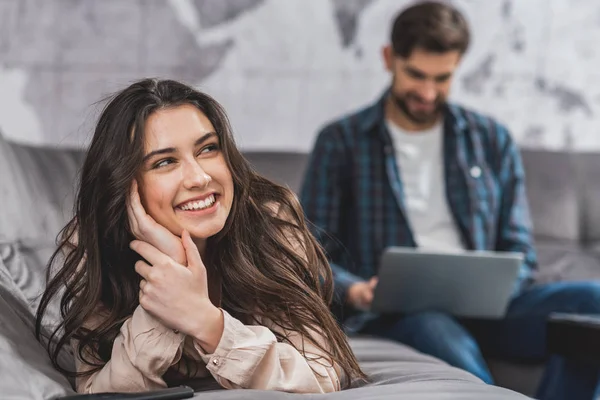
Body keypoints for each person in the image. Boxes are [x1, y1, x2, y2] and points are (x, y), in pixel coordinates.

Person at [300, 2, 600, 400]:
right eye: (416, 75)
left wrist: (500, 283)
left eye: (442, 78)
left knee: (592, 301)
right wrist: (355, 291)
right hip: (400, 313)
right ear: (390, 59)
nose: (427, 92)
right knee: (438, 329)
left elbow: (520, 248)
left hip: (495, 310)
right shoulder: (340, 142)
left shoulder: (491, 139)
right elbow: (309, 253)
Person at [35, 78, 365, 394]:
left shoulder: (269, 225)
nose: (199, 177)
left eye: (208, 149)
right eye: (164, 161)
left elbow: (321, 376)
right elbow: (101, 391)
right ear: (124, 186)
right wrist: (166, 284)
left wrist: (208, 323)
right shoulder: (96, 245)